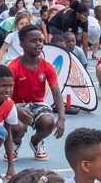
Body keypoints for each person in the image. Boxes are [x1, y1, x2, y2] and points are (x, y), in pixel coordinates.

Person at [9, 24, 66, 162]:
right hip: (16, 104)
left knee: (48, 122)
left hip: (37, 104)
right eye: (33, 41)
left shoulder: (47, 67)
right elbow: (6, 98)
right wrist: (17, 109)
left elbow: (57, 93)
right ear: (22, 44)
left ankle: (36, 141)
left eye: (40, 40)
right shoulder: (13, 67)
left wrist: (62, 119)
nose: (38, 44)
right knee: (17, 128)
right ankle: (15, 142)